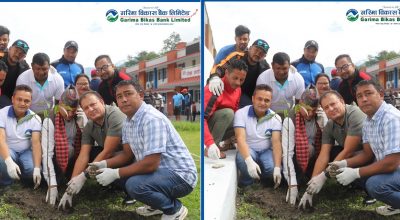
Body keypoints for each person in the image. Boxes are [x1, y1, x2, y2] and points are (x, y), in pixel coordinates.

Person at [90, 80, 197, 219]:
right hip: (160, 172)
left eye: (128, 94)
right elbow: (127, 155)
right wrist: (104, 164)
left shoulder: (151, 118)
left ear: (140, 95)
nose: (123, 100)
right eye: (119, 96)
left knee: (134, 185)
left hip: (180, 176)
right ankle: (156, 205)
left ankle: (174, 209)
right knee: (118, 171)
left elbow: (151, 163)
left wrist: (116, 173)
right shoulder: (128, 121)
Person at [333, 80, 400, 216]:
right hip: (393, 168)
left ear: (380, 94)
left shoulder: (391, 118)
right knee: (357, 170)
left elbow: (392, 163)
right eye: (359, 96)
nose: (363, 99)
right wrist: (344, 163)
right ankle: (396, 204)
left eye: (368, 94)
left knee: (375, 185)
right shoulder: (368, 120)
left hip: (396, 167)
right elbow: (367, 154)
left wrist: (356, 172)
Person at [58, 91, 126, 210]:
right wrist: (72, 185)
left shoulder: (115, 114)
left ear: (101, 102)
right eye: (86, 108)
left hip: (129, 156)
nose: (90, 109)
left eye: (93, 104)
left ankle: (126, 188)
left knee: (106, 155)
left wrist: (83, 176)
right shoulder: (89, 126)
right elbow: (84, 155)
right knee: (91, 153)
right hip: (111, 157)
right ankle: (112, 183)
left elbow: (108, 152)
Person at [298, 91, 366, 209]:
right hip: (352, 157)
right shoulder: (330, 125)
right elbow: (323, 156)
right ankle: (354, 183)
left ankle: (366, 187)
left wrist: (324, 176)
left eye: (333, 104)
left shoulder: (355, 114)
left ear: (342, 101)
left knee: (347, 154)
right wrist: (312, 185)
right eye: (326, 107)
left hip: (370, 155)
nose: (331, 109)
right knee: (333, 152)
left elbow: (348, 151)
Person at [234, 84, 282, 189]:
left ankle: (262, 181)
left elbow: (276, 142)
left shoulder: (275, 118)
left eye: (267, 100)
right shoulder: (241, 113)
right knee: (243, 160)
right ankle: (247, 183)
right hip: (248, 149)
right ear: (253, 99)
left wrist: (277, 168)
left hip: (266, 151)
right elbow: (240, 138)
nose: (262, 103)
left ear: (271, 102)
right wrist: (249, 161)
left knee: (271, 168)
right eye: (259, 99)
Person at [41, 86, 81, 206]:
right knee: (53, 182)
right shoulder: (50, 120)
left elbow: (86, 146)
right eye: (67, 110)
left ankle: (71, 177)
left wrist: (83, 124)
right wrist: (52, 184)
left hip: (73, 158)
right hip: (55, 159)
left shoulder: (79, 117)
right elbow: (47, 154)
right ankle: (56, 179)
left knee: (71, 149)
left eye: (73, 111)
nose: (69, 114)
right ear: (60, 104)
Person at [281, 88, 321, 205]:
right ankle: (296, 179)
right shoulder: (290, 119)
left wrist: (324, 122)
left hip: (315, 156)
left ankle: (311, 176)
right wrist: (292, 183)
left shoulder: (320, 116)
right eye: (307, 110)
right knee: (294, 181)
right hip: (296, 156)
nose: (310, 114)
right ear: (300, 104)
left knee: (311, 148)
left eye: (314, 110)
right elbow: (287, 153)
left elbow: (327, 144)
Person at [204, 59, 248, 160]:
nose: (238, 83)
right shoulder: (214, 89)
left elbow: (236, 111)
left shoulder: (238, 89)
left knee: (242, 118)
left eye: (241, 80)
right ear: (227, 73)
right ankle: (210, 148)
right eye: (235, 78)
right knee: (228, 113)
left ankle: (227, 143)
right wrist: (210, 143)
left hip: (221, 126)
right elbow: (202, 118)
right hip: (207, 127)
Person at [0, 85, 42, 188]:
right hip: (8, 149)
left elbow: (36, 144)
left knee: (32, 170)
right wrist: (9, 161)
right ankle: (7, 184)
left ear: (30, 102)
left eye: (26, 101)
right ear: (12, 99)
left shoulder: (35, 118)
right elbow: (1, 138)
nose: (22, 103)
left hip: (26, 151)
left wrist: (37, 168)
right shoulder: (2, 113)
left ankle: (22, 179)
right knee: (2, 159)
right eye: (19, 99)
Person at [209, 39, 271, 107]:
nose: (258, 54)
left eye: (262, 53)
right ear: (250, 48)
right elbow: (219, 68)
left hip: (248, 96)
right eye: (256, 50)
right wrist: (215, 77)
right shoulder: (236, 56)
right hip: (229, 89)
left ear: (265, 56)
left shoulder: (265, 67)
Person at [256, 52, 305, 118]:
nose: (281, 72)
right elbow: (260, 102)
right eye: (278, 68)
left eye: (284, 68)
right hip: (268, 113)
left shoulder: (298, 79)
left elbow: (299, 103)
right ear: (272, 66)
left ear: (289, 66)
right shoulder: (263, 78)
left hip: (289, 114)